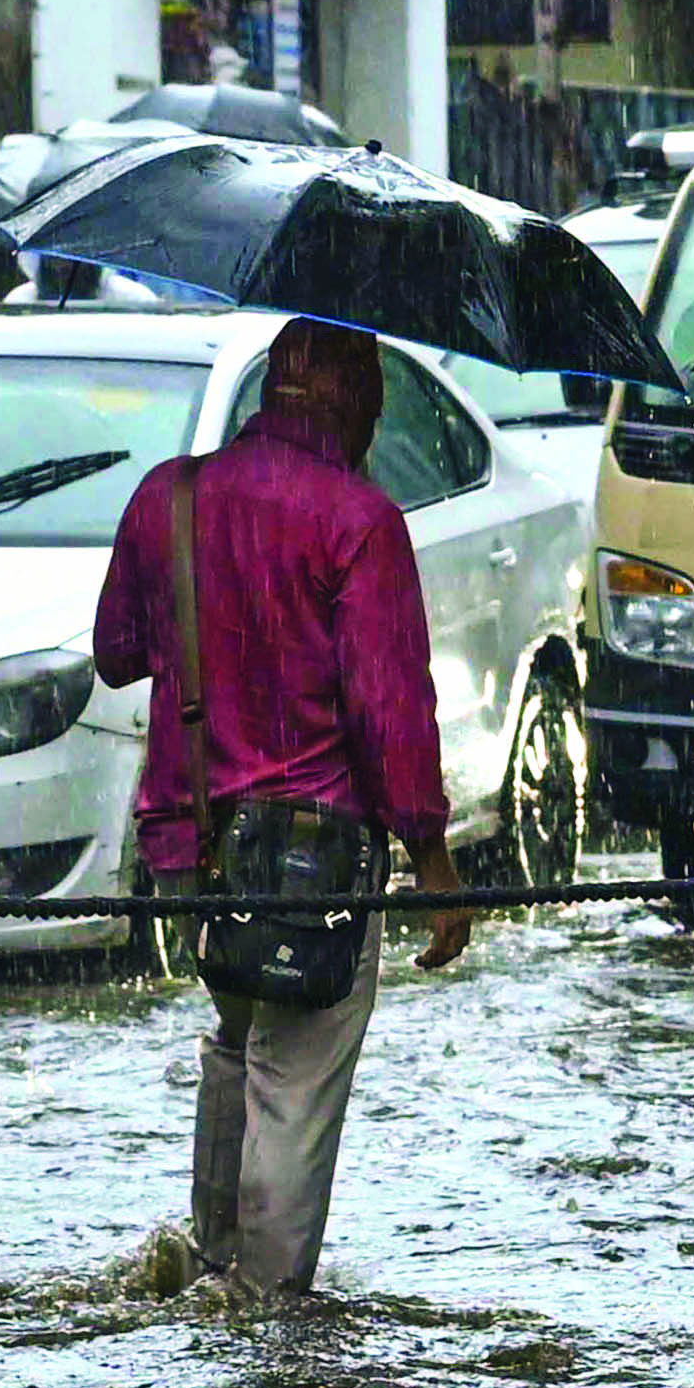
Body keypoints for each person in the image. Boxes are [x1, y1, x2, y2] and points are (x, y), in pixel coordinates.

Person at [87, 320, 467, 1294]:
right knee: (292, 1072)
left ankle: (203, 1260)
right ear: (348, 405)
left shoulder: (165, 498)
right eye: (376, 405)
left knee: (240, 1031)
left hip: (188, 841)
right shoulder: (361, 522)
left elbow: (118, 652)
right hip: (313, 861)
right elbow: (390, 714)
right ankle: (262, 1317)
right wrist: (434, 865)